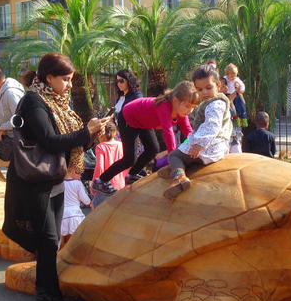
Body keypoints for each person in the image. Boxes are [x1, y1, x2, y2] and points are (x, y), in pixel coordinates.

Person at [3, 52, 104, 301]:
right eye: (66, 79)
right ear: (49, 78)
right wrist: (86, 132)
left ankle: (45, 294)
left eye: (71, 79)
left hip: (54, 176)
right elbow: (49, 141)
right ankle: (48, 297)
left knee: (50, 241)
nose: (70, 85)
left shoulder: (58, 101)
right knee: (48, 240)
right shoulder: (34, 102)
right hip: (34, 179)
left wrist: (92, 136)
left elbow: (68, 142)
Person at [92, 81, 196, 195]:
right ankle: (101, 181)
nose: (190, 110)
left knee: (153, 149)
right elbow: (168, 131)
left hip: (142, 121)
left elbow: (188, 131)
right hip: (128, 117)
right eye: (187, 106)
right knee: (129, 159)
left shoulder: (182, 114)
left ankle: (131, 175)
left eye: (193, 107)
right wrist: (173, 157)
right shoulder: (165, 106)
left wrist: (194, 146)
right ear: (176, 100)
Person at [162, 65, 232, 200]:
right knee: (184, 147)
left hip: (210, 145)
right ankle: (178, 167)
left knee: (174, 155)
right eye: (199, 90)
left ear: (218, 85)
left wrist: (200, 145)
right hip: (213, 144)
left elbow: (212, 126)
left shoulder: (215, 104)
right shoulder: (212, 102)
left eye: (208, 88)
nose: (204, 92)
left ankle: (179, 178)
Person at [112, 68, 143, 179]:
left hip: (131, 133)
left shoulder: (136, 96)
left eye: (121, 81)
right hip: (117, 135)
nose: (119, 84)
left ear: (129, 80)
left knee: (131, 159)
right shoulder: (120, 98)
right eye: (117, 81)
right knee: (123, 160)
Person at [60, 169, 92, 248]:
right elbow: (84, 199)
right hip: (75, 215)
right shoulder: (78, 183)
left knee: (61, 243)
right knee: (76, 242)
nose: (80, 175)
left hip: (62, 215)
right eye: (79, 173)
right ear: (72, 171)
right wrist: (90, 203)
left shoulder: (60, 183)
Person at [93, 121, 126, 191]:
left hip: (106, 187)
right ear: (114, 132)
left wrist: (94, 184)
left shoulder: (100, 147)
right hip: (121, 184)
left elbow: (99, 168)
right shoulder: (121, 145)